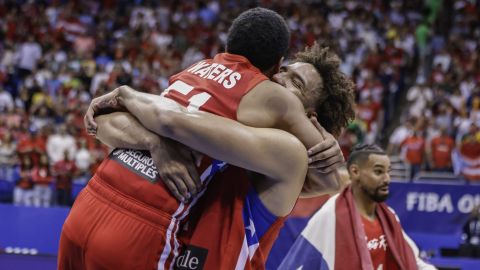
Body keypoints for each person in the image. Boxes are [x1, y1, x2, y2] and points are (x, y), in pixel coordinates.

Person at [60, 8, 352, 270]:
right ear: (276, 64)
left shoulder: (285, 149)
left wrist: (129, 96)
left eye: (295, 83)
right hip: (120, 212)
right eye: (284, 71)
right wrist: (155, 141)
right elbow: (109, 122)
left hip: (103, 214)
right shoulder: (241, 114)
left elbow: (328, 182)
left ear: (310, 116)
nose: (278, 81)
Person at [279, 144, 436, 270]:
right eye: (378, 172)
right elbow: (298, 262)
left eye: (388, 172)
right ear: (355, 172)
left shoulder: (389, 217)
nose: (387, 179)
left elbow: (412, 260)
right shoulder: (331, 215)